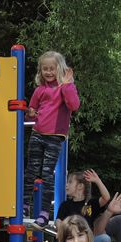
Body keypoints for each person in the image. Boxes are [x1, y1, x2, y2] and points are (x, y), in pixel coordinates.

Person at [23, 51, 80, 230]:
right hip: (37, 133)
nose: (48, 72)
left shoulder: (65, 88)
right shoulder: (40, 90)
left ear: (60, 69)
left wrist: (66, 84)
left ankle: (44, 212)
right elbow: (32, 108)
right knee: (31, 171)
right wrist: (30, 112)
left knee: (47, 174)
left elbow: (74, 105)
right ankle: (24, 206)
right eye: (44, 69)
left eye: (52, 69)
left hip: (55, 136)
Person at [54, 169, 113, 242]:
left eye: (70, 182)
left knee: (105, 239)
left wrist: (98, 181)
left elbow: (106, 198)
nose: (66, 185)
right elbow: (58, 220)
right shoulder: (65, 205)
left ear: (80, 186)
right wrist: (61, 230)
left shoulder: (91, 203)